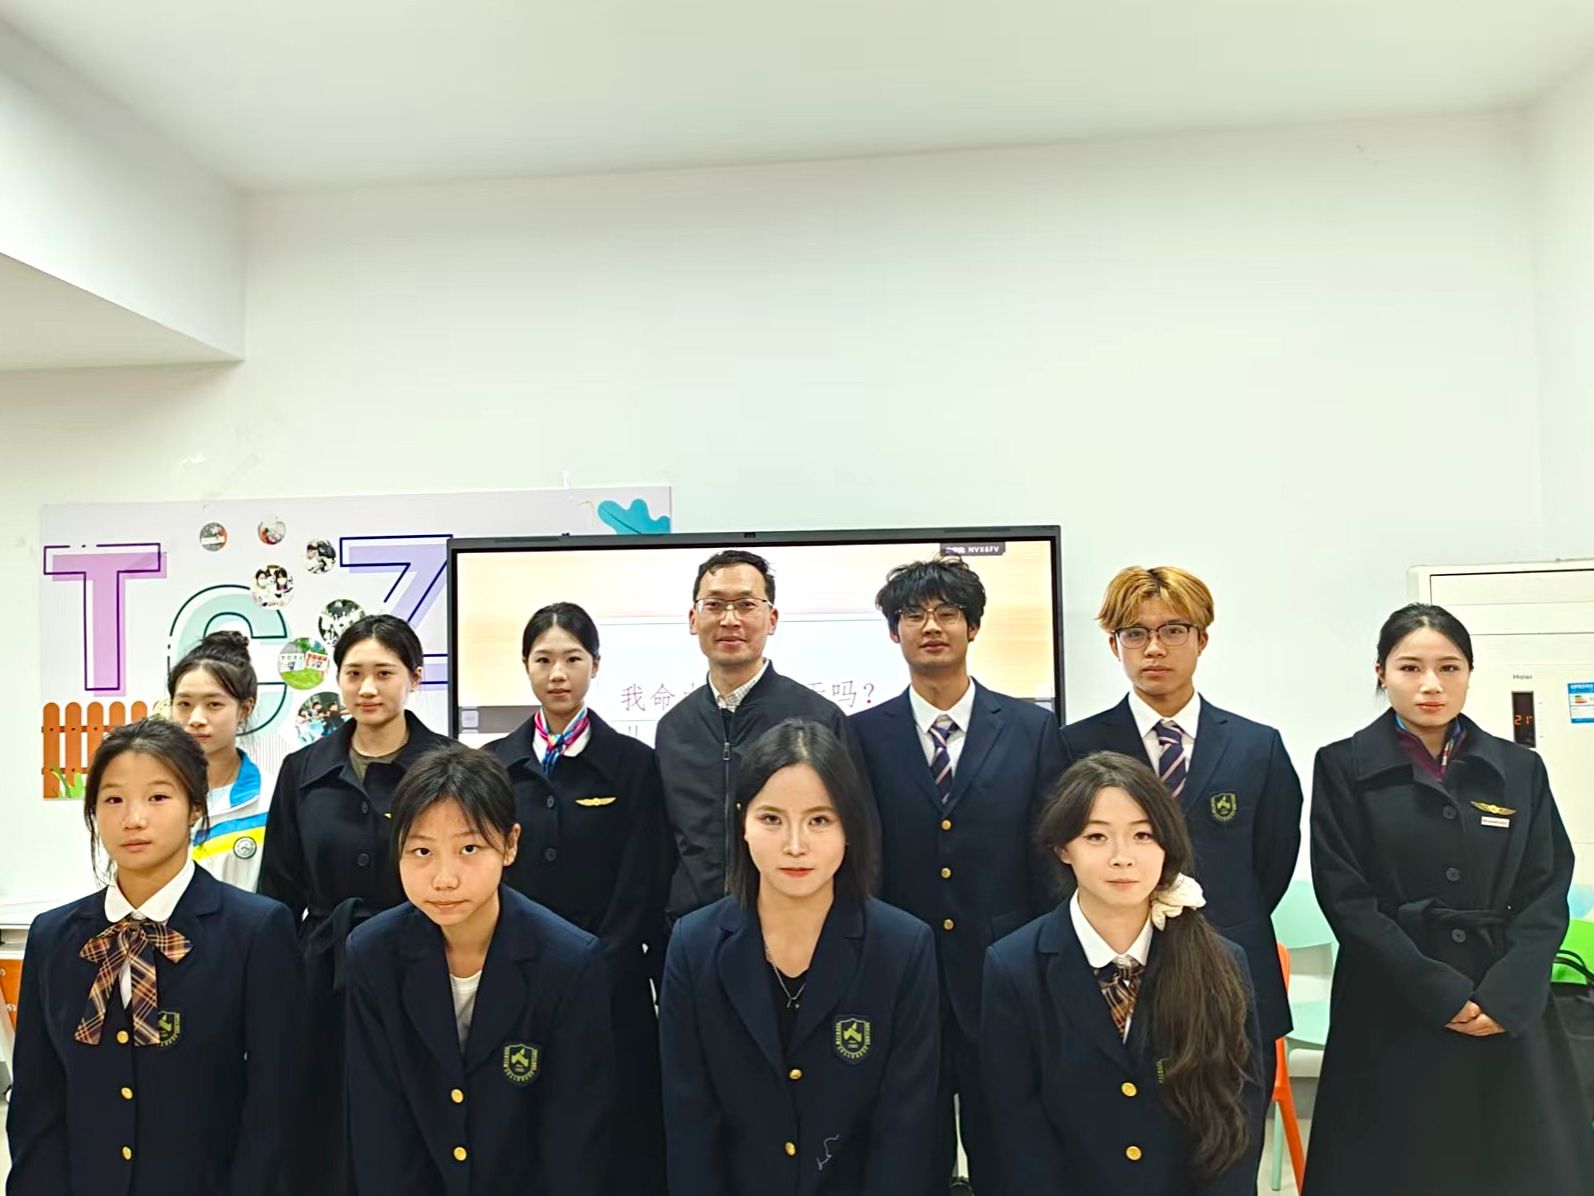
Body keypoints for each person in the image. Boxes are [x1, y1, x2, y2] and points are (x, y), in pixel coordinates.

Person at [1306, 603, 1594, 1194]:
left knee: (1513, 1167)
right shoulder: (1343, 766)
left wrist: (1509, 993)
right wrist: (1437, 991)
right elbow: (1346, 897)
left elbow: (1546, 888)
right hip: (1391, 1001)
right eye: (1410, 667)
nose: (1431, 684)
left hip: (1503, 1000)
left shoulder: (1519, 769)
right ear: (1381, 672)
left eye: (1449, 667)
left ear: (1469, 672)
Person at [6, 719, 303, 1196]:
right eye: (113, 800)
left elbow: (275, 1105)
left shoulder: (255, 930)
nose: (133, 819)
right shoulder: (54, 936)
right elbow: (36, 1104)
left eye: (158, 797)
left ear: (195, 807)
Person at [849, 556, 1065, 1194]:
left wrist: (1045, 959)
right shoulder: (862, 734)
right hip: (900, 973)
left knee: (1008, 1147)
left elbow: (1049, 857)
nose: (931, 627)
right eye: (913, 615)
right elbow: (862, 858)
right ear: (894, 632)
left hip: (1004, 972)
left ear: (973, 626)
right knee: (909, 1149)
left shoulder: (1031, 728)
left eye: (947, 613)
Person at [659, 719, 939, 1195]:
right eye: (771, 819)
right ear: (742, 822)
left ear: (850, 827)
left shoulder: (903, 947)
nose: (795, 845)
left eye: (819, 820)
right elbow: (691, 1127)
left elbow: (903, 1133)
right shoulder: (694, 945)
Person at [1061, 565, 1301, 1090]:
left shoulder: (1257, 747)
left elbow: (1273, 861)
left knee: (1234, 1123)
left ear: (1201, 639)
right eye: (1135, 633)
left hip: (1232, 967)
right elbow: (1060, 860)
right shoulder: (1075, 747)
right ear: (1114, 645)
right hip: (1114, 972)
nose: (1154, 649)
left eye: (1173, 630)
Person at [982, 750, 1263, 1195]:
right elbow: (1016, 1131)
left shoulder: (1221, 962)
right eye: (1096, 836)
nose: (1122, 857)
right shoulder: (1013, 968)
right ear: (1063, 848)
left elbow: (1237, 1117)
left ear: (1167, 845)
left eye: (1143, 835)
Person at [345, 745, 612, 1196]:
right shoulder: (372, 953)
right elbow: (379, 1127)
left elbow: (573, 1137)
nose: (444, 878)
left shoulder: (569, 961)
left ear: (510, 844)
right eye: (421, 851)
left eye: (469, 848)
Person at [257, 613, 454, 1196]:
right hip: (323, 972)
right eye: (354, 673)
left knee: (415, 1113)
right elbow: (279, 889)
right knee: (327, 1116)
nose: (367, 688)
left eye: (384, 673)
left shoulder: (449, 767)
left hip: (424, 964)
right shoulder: (303, 770)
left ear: (414, 677)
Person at [484, 601, 668, 1194]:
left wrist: (597, 962)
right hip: (514, 975)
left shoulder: (634, 763)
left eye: (572, 659)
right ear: (526, 666)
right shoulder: (493, 764)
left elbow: (642, 878)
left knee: (609, 1131)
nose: (558, 674)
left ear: (596, 665)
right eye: (543, 660)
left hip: (609, 980)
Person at [655, 549, 876, 925]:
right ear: (693, 619)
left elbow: (860, 836)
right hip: (695, 932)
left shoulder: (819, 719)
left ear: (771, 619)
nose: (729, 620)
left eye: (746, 605)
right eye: (714, 605)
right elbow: (662, 846)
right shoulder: (674, 727)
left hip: (801, 929)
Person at [169, 630, 268, 888]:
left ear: (244, 710)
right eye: (184, 704)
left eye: (213, 704)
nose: (196, 719)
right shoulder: (153, 797)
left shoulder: (270, 800)